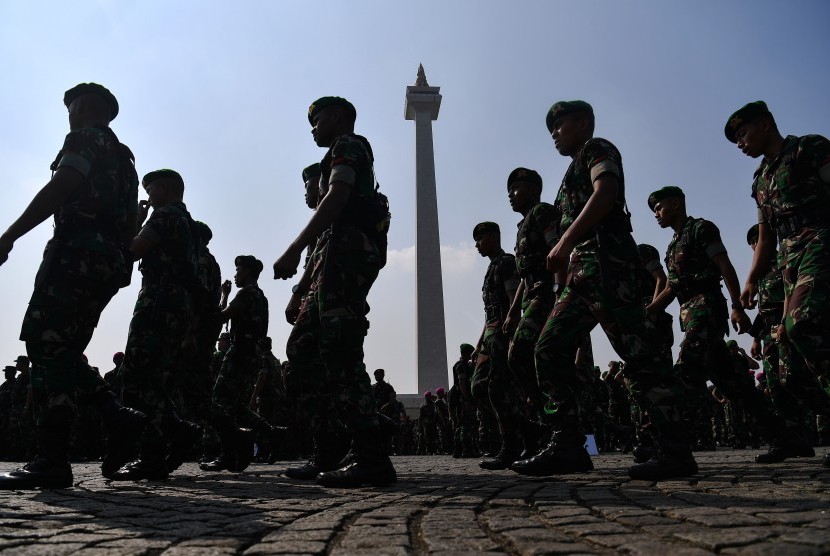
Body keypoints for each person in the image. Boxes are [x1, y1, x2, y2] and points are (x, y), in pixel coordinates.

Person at [512, 100, 691, 480]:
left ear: (581, 123)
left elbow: (605, 193)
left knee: (639, 353)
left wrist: (562, 244)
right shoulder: (568, 175)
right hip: (579, 275)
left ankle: (674, 448)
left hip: (608, 265)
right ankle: (568, 445)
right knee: (548, 349)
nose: (554, 135)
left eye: (559, 127)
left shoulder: (597, 149)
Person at [0, 83, 145, 489]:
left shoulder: (84, 139)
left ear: (80, 108)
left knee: (45, 344)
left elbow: (62, 186)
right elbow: (130, 221)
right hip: (106, 261)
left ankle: (51, 460)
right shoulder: (124, 159)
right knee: (64, 348)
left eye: (70, 108)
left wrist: (9, 235)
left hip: (76, 252)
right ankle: (115, 414)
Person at [273, 96, 394, 487]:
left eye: (317, 119)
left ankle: (371, 454)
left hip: (348, 259)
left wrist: (293, 248)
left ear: (338, 117)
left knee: (340, 350)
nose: (313, 128)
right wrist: (301, 288)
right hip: (332, 263)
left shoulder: (348, 146)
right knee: (303, 350)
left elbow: (337, 198)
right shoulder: (337, 155)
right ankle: (329, 446)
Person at [646, 185, 813, 463]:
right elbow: (673, 287)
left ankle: (668, 445)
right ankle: (787, 438)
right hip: (689, 316)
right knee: (738, 387)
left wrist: (737, 307)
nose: (656, 215)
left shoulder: (701, 229)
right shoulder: (672, 245)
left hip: (707, 311)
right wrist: (651, 309)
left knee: (686, 369)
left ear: (675, 204)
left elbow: (725, 267)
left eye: (659, 208)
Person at [726, 101, 830, 466]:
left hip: (821, 238)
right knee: (788, 362)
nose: (740, 143)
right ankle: (799, 433)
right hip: (789, 257)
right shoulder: (761, 179)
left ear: (766, 124)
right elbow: (767, 235)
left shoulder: (809, 148)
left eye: (743, 133)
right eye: (736, 138)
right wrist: (752, 280)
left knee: (803, 322)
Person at [112, 169, 204, 481]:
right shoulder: (187, 222)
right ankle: (176, 432)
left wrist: (133, 222)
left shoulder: (164, 215)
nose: (148, 200)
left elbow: (132, 250)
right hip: (178, 304)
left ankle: (157, 450)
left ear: (163, 190)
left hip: (158, 301)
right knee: (156, 379)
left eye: (150, 192)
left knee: (138, 380)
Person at [200, 255, 283, 473]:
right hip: (252, 354)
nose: (235, 275)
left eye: (238, 270)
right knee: (235, 405)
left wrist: (221, 297)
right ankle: (269, 431)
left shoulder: (246, 293)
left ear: (247, 271)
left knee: (220, 402)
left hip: (239, 353)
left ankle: (227, 454)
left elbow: (222, 317)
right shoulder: (261, 297)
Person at [502, 167, 560, 459]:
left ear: (533, 189)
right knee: (523, 357)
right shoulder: (522, 226)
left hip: (549, 292)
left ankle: (557, 428)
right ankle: (548, 424)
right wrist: (513, 312)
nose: (510, 194)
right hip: (532, 296)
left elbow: (560, 252)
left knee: (533, 354)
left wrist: (561, 293)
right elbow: (525, 277)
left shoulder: (542, 214)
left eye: (516, 188)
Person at [470, 221, 523, 470]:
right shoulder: (490, 269)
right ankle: (523, 433)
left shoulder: (506, 263)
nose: (477, 245)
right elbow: (488, 311)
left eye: (480, 239)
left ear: (493, 237)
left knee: (498, 387)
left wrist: (513, 323)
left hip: (502, 331)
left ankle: (513, 443)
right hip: (490, 334)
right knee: (479, 386)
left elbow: (514, 297)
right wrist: (479, 343)